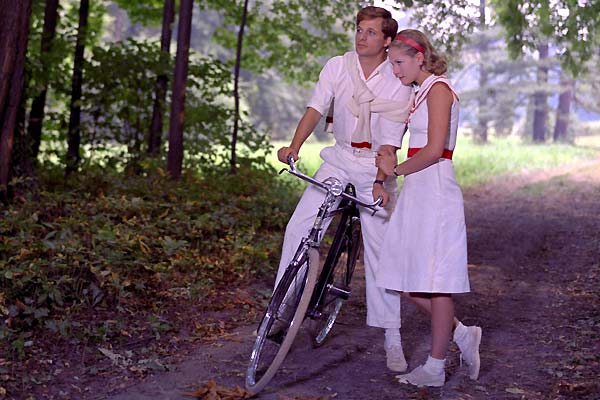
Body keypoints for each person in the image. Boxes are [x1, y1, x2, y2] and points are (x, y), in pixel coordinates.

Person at [276, 6, 414, 372]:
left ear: (387, 41)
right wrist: (294, 145)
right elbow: (315, 108)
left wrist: (383, 181)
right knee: (299, 227)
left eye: (370, 32)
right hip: (338, 158)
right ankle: (282, 306)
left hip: (373, 167)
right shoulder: (338, 66)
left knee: (382, 251)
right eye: (358, 29)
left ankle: (392, 337)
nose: (361, 36)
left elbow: (390, 141)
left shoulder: (397, 79)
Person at [374, 29, 482, 387]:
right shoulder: (418, 92)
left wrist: (396, 170)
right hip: (417, 189)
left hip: (435, 187)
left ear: (420, 58)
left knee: (436, 283)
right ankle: (462, 334)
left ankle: (435, 368)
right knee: (406, 281)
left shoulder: (439, 89)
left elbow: (435, 148)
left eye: (400, 62)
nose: (396, 71)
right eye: (392, 64)